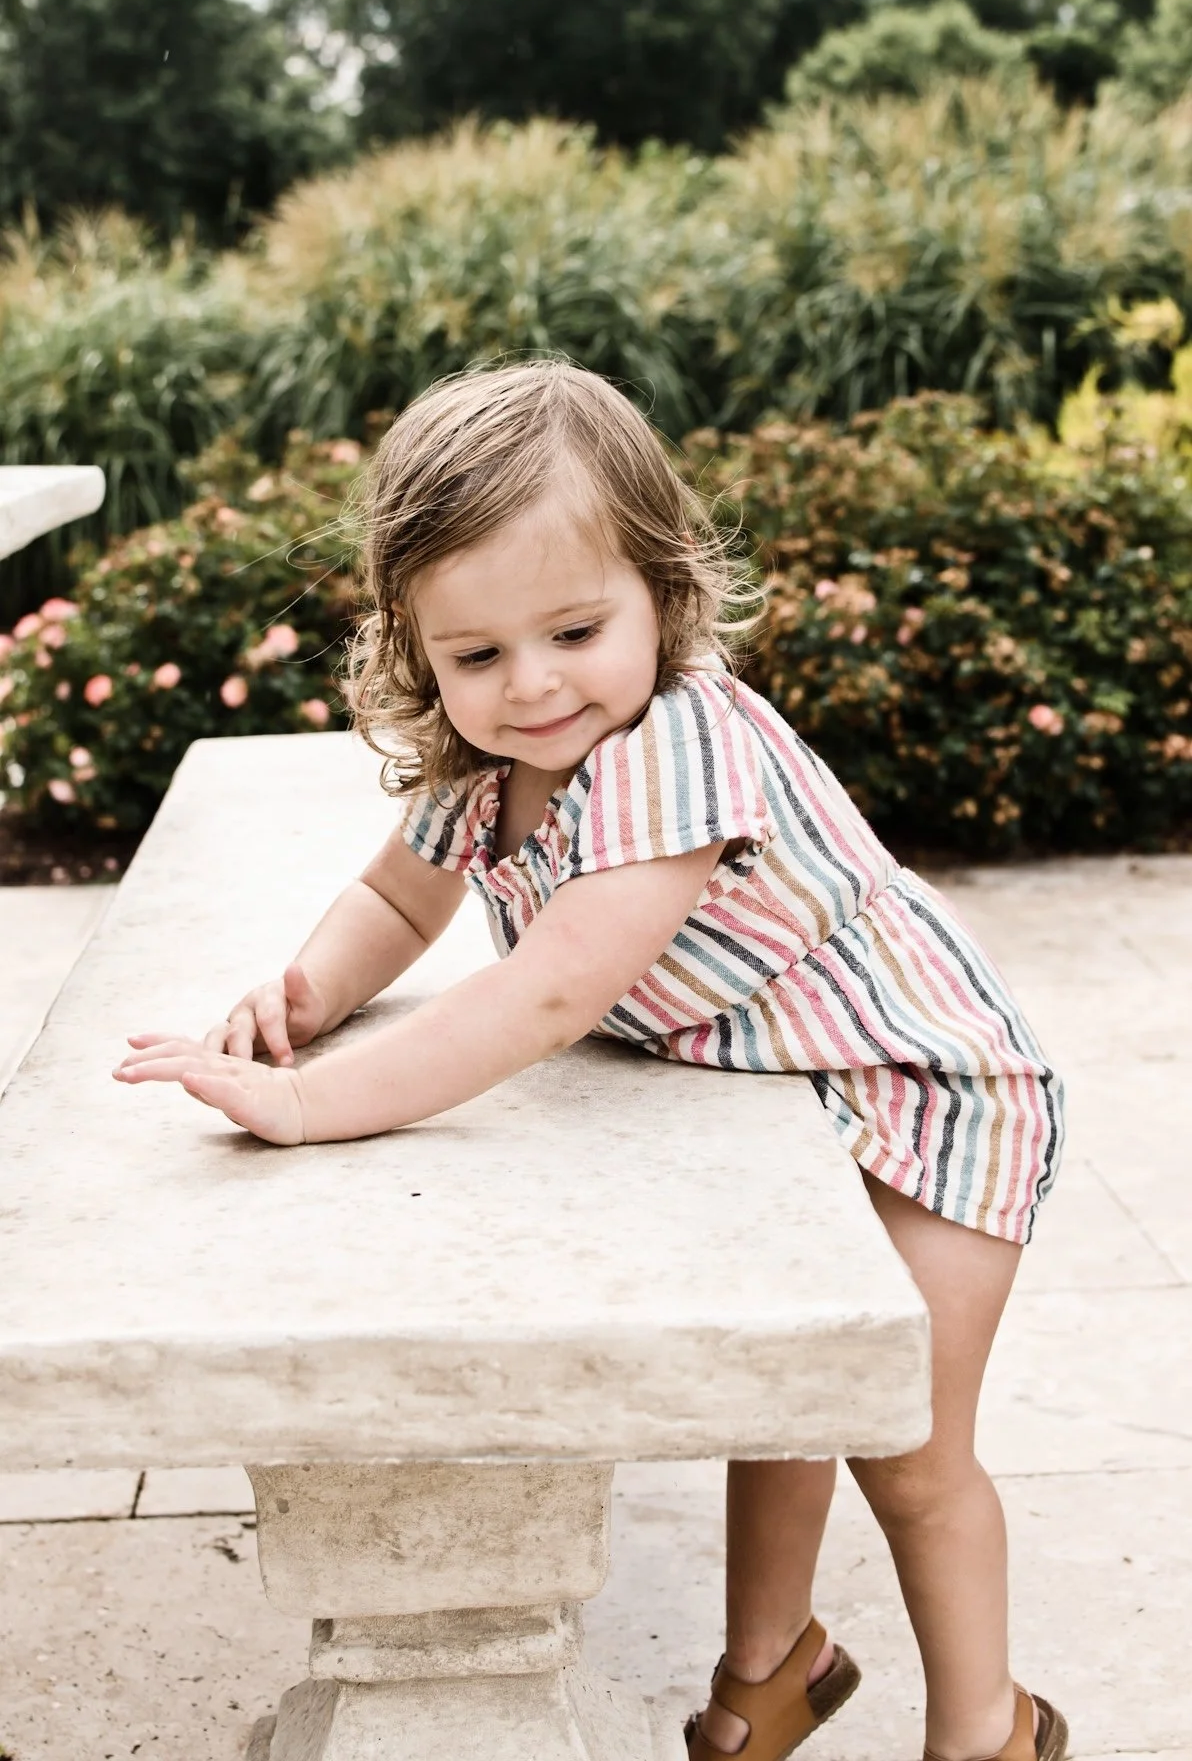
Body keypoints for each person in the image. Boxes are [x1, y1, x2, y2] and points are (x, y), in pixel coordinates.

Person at [115, 360, 1066, 1761]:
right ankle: (773, 1669)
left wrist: (314, 1106)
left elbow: (549, 994)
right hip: (777, 1083)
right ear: (418, 647)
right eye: (478, 654)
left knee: (903, 1441)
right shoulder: (481, 758)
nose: (534, 685)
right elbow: (400, 901)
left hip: (922, 1087)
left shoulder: (676, 747)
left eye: (575, 627)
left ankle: (987, 1726)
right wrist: (308, 996)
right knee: (782, 1382)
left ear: (664, 593)